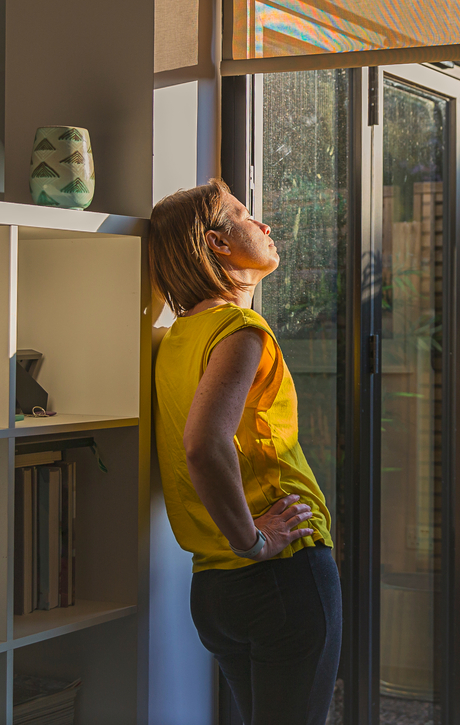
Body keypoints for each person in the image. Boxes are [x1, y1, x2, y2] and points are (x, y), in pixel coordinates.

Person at [149, 179, 340, 725]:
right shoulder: (240, 328)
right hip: (279, 574)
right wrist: (254, 541)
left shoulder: (175, 338)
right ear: (217, 243)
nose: (265, 225)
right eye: (245, 215)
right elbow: (204, 447)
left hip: (214, 589)